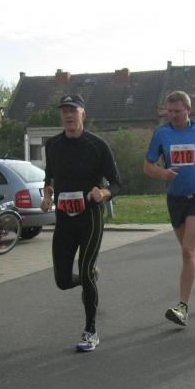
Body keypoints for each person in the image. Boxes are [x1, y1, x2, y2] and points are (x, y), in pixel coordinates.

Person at [40, 94, 121, 352]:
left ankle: (90, 330)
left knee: (84, 271)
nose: (68, 115)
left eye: (73, 111)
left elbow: (117, 184)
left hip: (90, 217)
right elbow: (49, 178)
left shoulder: (97, 145)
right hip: (64, 219)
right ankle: (90, 277)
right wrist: (47, 195)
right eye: (64, 111)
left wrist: (103, 193)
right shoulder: (53, 145)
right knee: (63, 280)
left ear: (83, 113)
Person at [143, 90, 195, 327]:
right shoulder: (162, 134)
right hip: (175, 198)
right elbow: (147, 166)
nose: (173, 115)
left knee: (188, 251)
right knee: (190, 250)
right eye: (169, 111)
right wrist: (163, 173)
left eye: (177, 111)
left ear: (188, 110)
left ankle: (182, 307)